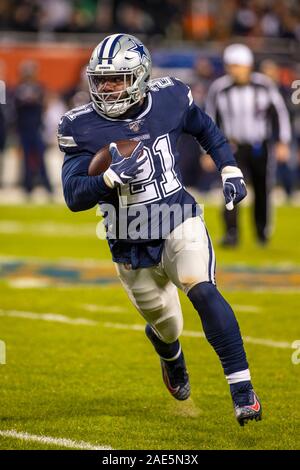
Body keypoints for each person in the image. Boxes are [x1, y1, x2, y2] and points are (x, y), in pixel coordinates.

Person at [58, 34, 262, 426]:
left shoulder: (169, 97)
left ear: (138, 76)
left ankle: (243, 390)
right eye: (100, 80)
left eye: (116, 79)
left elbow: (206, 128)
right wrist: (107, 180)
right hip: (128, 238)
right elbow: (72, 195)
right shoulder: (79, 126)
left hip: (177, 218)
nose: (106, 88)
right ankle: (171, 355)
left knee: (200, 286)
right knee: (168, 326)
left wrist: (229, 167)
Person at [205, 44, 292, 246]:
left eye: (238, 65)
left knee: (263, 189)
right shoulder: (220, 88)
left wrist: (282, 142)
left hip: (259, 145)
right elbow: (209, 122)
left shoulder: (264, 86)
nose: (234, 70)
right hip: (232, 147)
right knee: (231, 189)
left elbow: (279, 114)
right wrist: (208, 150)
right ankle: (231, 233)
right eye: (231, 65)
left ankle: (262, 232)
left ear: (248, 65)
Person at [14, 60, 53, 196]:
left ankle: (47, 186)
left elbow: (45, 105)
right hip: (24, 129)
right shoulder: (18, 89)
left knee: (41, 159)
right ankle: (27, 187)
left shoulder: (39, 88)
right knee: (25, 159)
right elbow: (16, 109)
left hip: (37, 128)